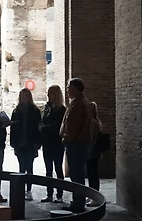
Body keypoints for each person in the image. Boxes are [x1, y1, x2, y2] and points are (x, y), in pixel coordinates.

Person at [60, 77, 92, 212]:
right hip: (79, 143)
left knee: (76, 175)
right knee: (77, 174)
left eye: (68, 88)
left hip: (75, 144)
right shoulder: (81, 102)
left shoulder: (77, 104)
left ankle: (78, 203)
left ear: (74, 89)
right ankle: (78, 201)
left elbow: (72, 126)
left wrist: (65, 139)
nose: (67, 90)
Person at [9, 89, 42, 200]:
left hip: (30, 142)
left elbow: (38, 128)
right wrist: (13, 142)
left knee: (30, 166)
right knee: (21, 167)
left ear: (29, 97)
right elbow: (13, 128)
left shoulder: (35, 111)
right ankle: (21, 189)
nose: (24, 98)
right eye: (23, 96)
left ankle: (29, 190)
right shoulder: (16, 111)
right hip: (20, 143)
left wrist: (38, 142)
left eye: (26, 96)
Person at [39, 85, 66, 202]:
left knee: (58, 169)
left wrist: (43, 128)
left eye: (51, 93)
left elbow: (57, 126)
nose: (48, 95)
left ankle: (59, 195)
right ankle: (49, 194)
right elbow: (42, 121)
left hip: (57, 143)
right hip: (47, 143)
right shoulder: (47, 108)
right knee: (48, 170)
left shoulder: (61, 110)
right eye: (48, 93)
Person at [85, 101, 108, 204]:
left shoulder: (92, 123)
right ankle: (92, 196)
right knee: (92, 175)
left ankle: (94, 198)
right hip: (93, 153)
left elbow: (92, 141)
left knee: (93, 175)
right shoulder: (96, 122)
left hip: (92, 153)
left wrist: (88, 153)